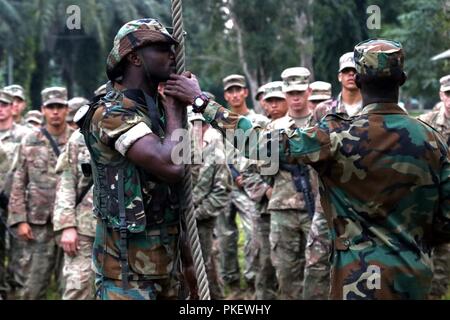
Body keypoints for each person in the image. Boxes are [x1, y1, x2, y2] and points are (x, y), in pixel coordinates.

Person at [168, 39, 450, 299]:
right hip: (412, 277)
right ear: (402, 79)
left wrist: (203, 103)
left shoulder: (337, 135)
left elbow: (258, 144)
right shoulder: (432, 139)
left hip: (357, 278)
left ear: (359, 81)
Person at [78, 18, 198, 300]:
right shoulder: (110, 112)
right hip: (126, 276)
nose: (172, 55)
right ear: (133, 57)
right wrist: (177, 109)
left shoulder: (156, 112)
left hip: (167, 268)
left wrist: (190, 270)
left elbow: (175, 199)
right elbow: (171, 166)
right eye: (160, 48)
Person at [8, 87, 73, 299]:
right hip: (38, 225)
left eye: (60, 107)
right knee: (33, 286)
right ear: (42, 109)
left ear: (67, 109)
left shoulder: (78, 140)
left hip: (70, 225)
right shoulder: (30, 140)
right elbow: (19, 181)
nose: (55, 112)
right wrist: (19, 219)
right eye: (51, 107)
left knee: (72, 287)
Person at [218, 74, 268, 297]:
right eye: (230, 91)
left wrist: (247, 176)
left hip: (249, 186)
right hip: (223, 186)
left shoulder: (258, 120)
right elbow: (215, 152)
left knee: (253, 233)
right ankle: (231, 280)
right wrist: (231, 172)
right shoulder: (219, 122)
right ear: (225, 95)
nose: (235, 94)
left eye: (239, 90)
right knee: (226, 235)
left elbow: (265, 150)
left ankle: (251, 277)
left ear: (246, 92)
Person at [188, 107, 231, 299]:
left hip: (202, 221)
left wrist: (196, 215)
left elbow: (222, 191)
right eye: (193, 124)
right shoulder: (179, 146)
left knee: (201, 269)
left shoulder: (214, 145)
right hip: (178, 220)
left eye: (202, 124)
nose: (198, 129)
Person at [52, 127, 96, 300]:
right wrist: (67, 225)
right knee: (78, 286)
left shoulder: (141, 131)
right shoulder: (81, 136)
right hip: (84, 229)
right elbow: (66, 184)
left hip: (127, 230)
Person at [417, 74, 450, 299]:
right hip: (427, 209)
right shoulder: (423, 124)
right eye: (449, 94)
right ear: (441, 95)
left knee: (442, 274)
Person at [0, 90, 33, 299]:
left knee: (19, 260)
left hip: (17, 207)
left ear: (12, 107)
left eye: (3, 105)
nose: (0, 110)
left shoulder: (25, 135)